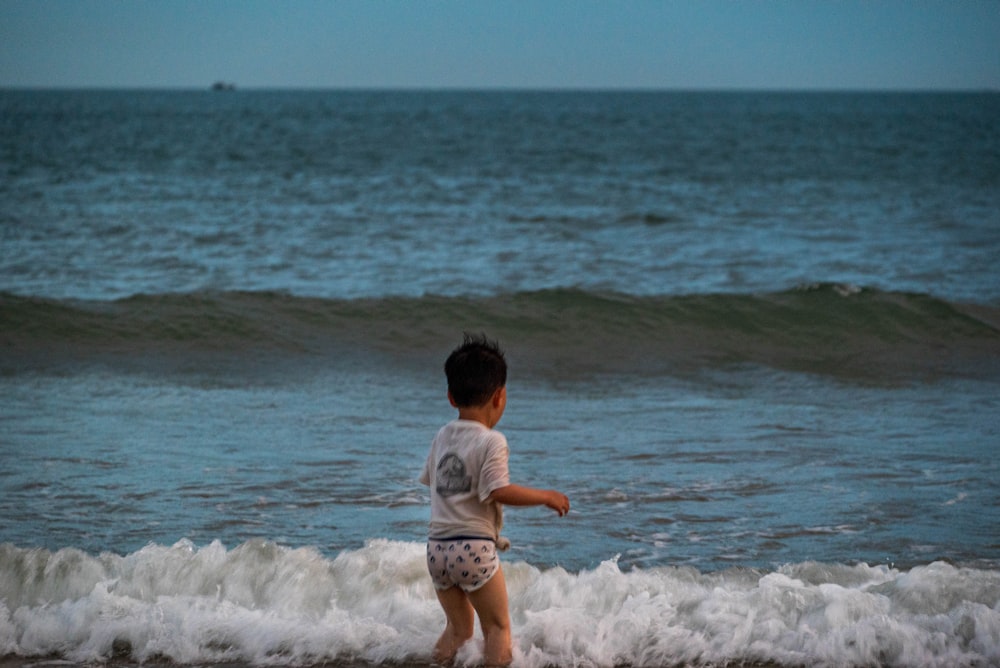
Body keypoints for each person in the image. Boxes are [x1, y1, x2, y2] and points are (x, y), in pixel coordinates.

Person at [420, 334, 570, 667]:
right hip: (473, 549)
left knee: (458, 631)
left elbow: (433, 482)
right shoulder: (492, 441)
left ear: (450, 396)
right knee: (497, 628)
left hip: (437, 550)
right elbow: (498, 490)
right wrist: (546, 496)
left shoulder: (441, 436)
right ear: (500, 397)